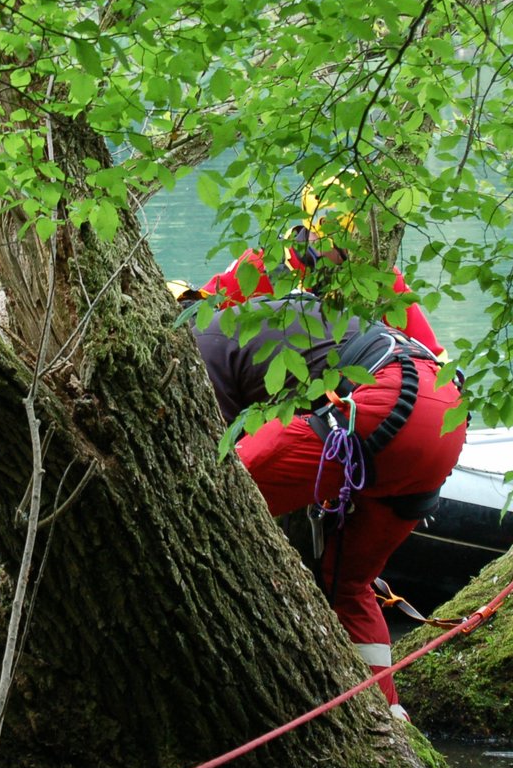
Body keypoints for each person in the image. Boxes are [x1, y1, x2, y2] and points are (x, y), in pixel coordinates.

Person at [187, 289, 466, 720]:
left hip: (389, 402)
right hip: (446, 413)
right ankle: (388, 714)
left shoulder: (200, 343)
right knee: (350, 584)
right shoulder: (262, 319)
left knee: (213, 493)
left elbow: (210, 448)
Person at [200, 175, 445, 356]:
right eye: (353, 239)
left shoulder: (379, 275)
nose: (360, 250)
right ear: (324, 227)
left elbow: (432, 354)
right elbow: (200, 310)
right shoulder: (261, 266)